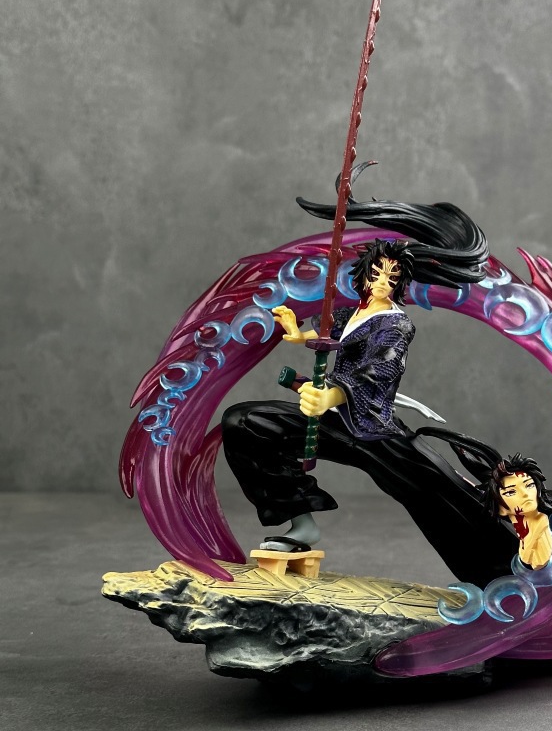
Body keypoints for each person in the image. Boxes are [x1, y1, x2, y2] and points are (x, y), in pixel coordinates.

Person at [221, 196, 522, 588]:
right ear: (364, 273)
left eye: (391, 278)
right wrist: (296, 332)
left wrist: (333, 394)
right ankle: (301, 523)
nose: (381, 282)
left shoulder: (396, 325)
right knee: (246, 423)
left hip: (373, 428)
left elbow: (380, 368)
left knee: (437, 493)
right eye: (376, 273)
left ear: (400, 285)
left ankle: (501, 571)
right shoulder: (353, 312)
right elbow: (326, 336)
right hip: (334, 420)